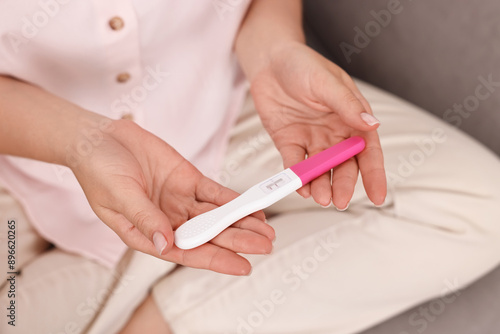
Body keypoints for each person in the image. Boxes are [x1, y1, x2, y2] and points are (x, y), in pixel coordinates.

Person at [1, 1, 499, 333]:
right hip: (21, 145)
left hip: (229, 106)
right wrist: (81, 143)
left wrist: (275, 50)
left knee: (481, 207)